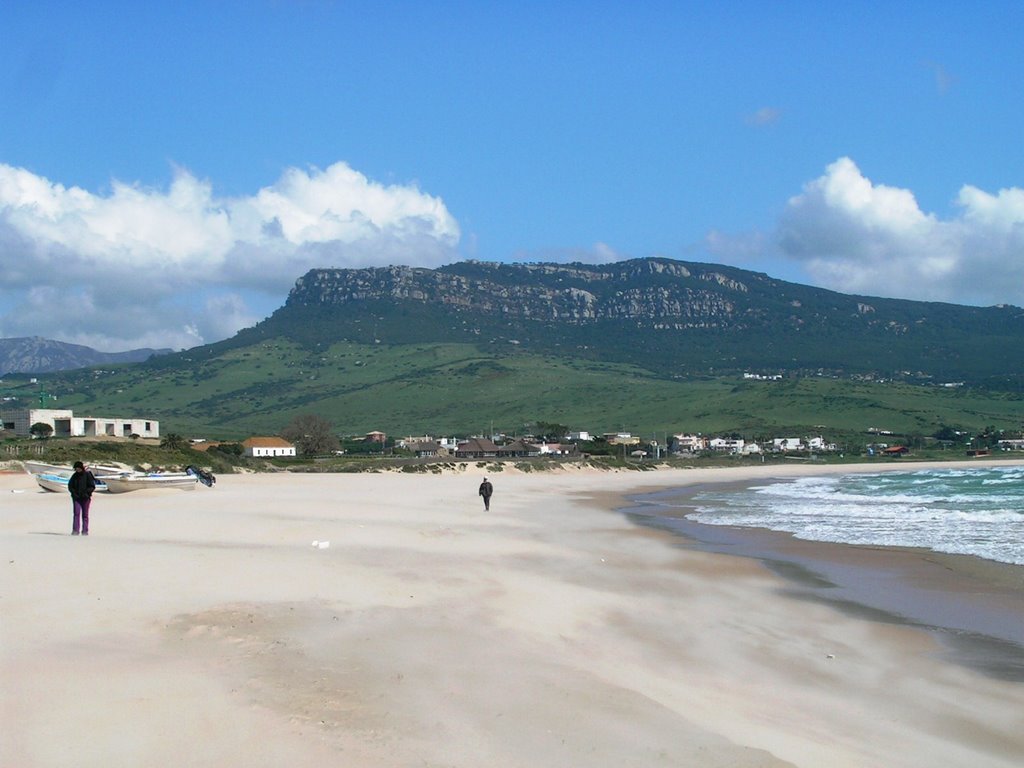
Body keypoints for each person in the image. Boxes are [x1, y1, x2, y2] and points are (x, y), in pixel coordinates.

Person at [68, 461, 96, 536]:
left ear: (81, 468)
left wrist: (86, 493)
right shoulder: (74, 476)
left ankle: (85, 531)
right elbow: (70, 486)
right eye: (76, 468)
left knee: (85, 515)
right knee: (76, 514)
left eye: (78, 468)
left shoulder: (87, 475)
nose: (77, 470)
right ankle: (75, 530)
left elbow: (92, 486)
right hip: (76, 498)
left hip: (85, 498)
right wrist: (74, 493)